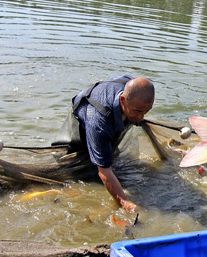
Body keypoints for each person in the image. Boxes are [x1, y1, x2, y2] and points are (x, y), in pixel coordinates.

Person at [53, 75, 154, 213]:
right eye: (137, 111)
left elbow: (137, 104)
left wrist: (136, 114)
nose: (142, 117)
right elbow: (104, 171)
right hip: (84, 118)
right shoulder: (98, 122)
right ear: (123, 100)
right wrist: (125, 202)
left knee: (107, 148)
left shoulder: (132, 87)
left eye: (146, 111)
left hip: (110, 110)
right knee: (89, 169)